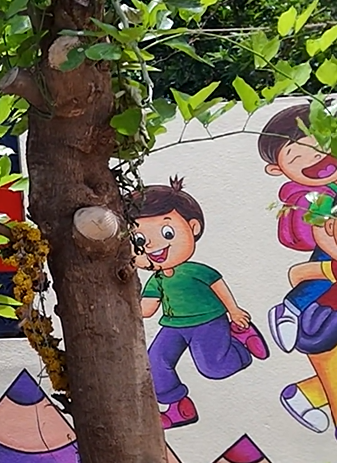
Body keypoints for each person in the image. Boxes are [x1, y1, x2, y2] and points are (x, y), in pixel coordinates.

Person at [134, 177, 267, 430]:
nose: (151, 245)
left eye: (167, 233)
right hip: (174, 326)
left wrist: (234, 311)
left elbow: (217, 284)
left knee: (214, 368)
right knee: (155, 362)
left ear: (192, 227)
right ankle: (178, 408)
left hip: (209, 321)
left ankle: (239, 341)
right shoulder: (157, 280)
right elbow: (148, 309)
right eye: (139, 240)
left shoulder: (194, 270)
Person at [257, 103, 337, 432]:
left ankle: (303, 396)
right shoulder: (314, 198)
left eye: (320, 144)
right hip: (325, 312)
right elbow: (323, 237)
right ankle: (290, 308)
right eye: (297, 154)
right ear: (277, 169)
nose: (315, 157)